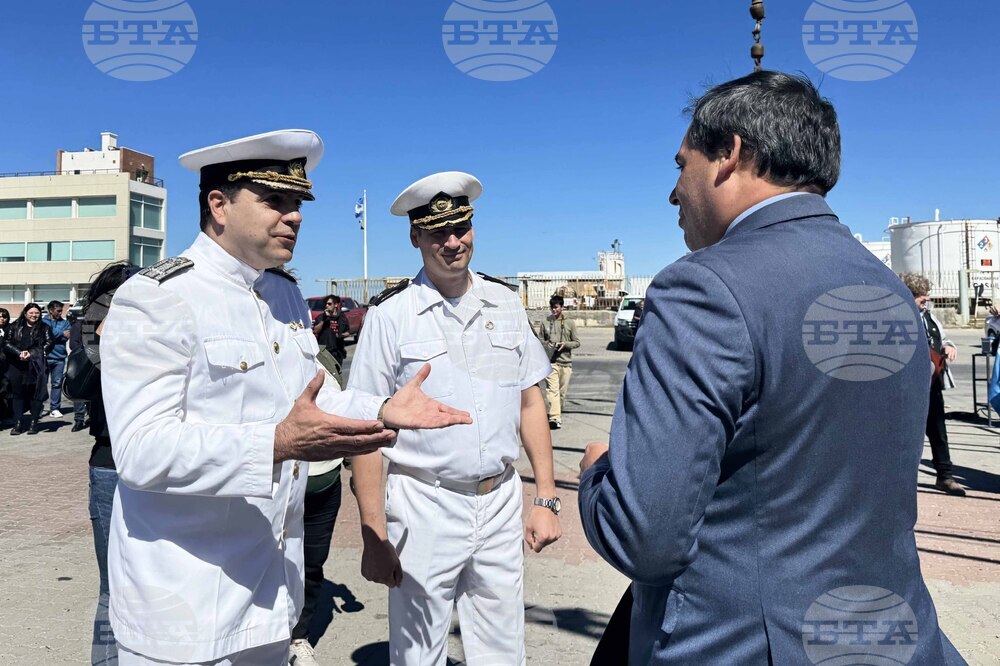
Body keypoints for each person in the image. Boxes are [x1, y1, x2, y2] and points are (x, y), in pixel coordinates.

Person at [577, 71, 964, 664]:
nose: (674, 193)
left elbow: (644, 536)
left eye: (681, 165)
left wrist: (596, 477)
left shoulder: (703, 289)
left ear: (729, 154)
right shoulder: (885, 287)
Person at [99, 130, 471, 666]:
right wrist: (276, 443)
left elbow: (319, 402)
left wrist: (382, 410)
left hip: (271, 597)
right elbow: (140, 450)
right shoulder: (157, 298)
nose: (294, 216)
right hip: (185, 608)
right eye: (275, 200)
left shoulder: (284, 294)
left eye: (297, 204)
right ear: (219, 205)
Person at [348, 171, 562, 664]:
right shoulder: (390, 316)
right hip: (425, 503)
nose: (452, 242)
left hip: (499, 500)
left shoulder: (506, 303)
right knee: (418, 651)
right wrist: (373, 534)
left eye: (461, 227)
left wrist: (546, 498)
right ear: (415, 237)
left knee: (504, 648)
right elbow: (366, 430)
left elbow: (531, 402)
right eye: (437, 232)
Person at [899, 272, 966, 496]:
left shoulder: (929, 317)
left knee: (938, 431)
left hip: (932, 383)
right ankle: (901, 479)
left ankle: (945, 476)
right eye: (921, 297)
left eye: (927, 296)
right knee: (906, 433)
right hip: (907, 387)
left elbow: (943, 337)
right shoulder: (897, 317)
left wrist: (949, 346)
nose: (926, 301)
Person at [3, 303, 54, 435]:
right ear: (25, 313)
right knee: (17, 394)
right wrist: (19, 352)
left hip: (36, 366)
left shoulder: (45, 327)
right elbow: (7, 343)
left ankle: (34, 422)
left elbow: (49, 343)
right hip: (17, 365)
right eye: (31, 313)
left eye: (36, 313)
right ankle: (18, 423)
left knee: (35, 395)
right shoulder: (14, 327)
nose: (34, 315)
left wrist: (32, 353)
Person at [535, 294, 580, 429]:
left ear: (562, 307)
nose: (553, 310)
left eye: (556, 307)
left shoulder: (570, 323)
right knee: (552, 390)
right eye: (552, 308)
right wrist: (546, 344)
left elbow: (577, 342)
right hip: (551, 363)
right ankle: (554, 418)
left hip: (566, 363)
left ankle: (557, 411)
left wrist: (565, 344)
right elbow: (539, 341)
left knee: (561, 393)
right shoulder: (545, 323)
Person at [311, 294, 350, 387]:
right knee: (326, 377)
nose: (326, 306)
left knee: (337, 376)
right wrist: (325, 320)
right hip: (325, 352)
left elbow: (348, 331)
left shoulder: (342, 317)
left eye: (329, 304)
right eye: (326, 304)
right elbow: (315, 330)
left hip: (338, 351)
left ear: (336, 305)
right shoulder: (321, 317)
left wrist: (341, 335)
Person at [42, 299, 71, 418]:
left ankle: (54, 408)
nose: (60, 313)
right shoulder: (43, 322)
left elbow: (67, 336)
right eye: (58, 311)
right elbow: (45, 335)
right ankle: (40, 408)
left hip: (59, 358)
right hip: (44, 357)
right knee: (42, 384)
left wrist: (54, 334)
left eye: (61, 311)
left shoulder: (65, 322)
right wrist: (60, 333)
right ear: (50, 310)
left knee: (57, 384)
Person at [0, 308, 11, 428]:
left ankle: (5, 416)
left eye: (4, 317)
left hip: (7, 367)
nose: (2, 319)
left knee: (5, 392)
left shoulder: (10, 330)